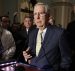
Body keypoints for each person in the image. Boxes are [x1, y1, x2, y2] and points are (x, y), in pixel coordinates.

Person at [23, 3, 71, 71]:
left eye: (41, 13)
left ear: (48, 16)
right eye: (35, 14)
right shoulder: (32, 33)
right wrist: (26, 56)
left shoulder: (59, 33)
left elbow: (66, 60)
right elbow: (32, 53)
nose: (37, 17)